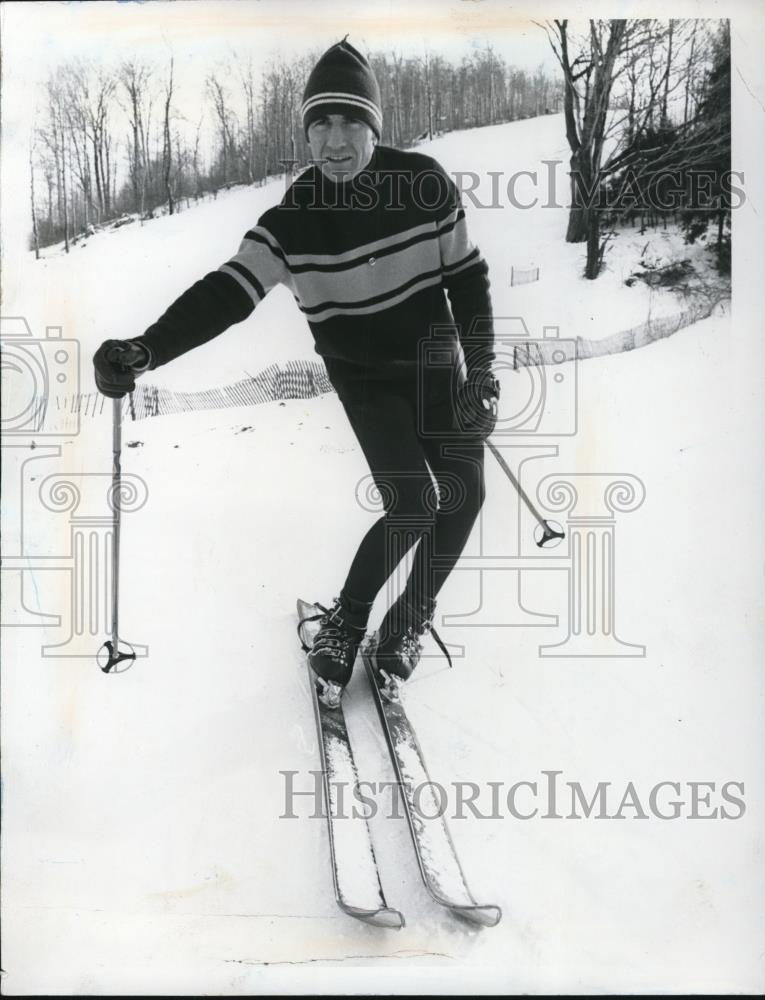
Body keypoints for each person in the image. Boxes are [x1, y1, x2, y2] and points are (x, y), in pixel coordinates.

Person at [93, 38, 499, 704]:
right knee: (411, 503)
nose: (334, 141)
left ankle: (407, 623)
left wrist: (480, 371)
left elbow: (469, 279)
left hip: (435, 364)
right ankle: (346, 621)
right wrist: (147, 348)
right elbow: (225, 293)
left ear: (373, 126)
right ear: (306, 134)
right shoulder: (290, 224)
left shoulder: (424, 185)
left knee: (465, 494)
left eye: (349, 124)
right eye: (320, 125)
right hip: (363, 377)